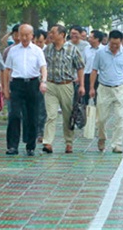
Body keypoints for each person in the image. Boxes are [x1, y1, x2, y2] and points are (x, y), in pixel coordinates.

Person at [3, 24, 47, 156]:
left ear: (32, 36)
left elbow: (43, 67)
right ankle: (12, 146)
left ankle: (30, 146)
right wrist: (6, 88)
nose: (24, 38)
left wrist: (43, 81)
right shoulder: (13, 50)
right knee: (14, 115)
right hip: (17, 84)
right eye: (21, 35)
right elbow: (7, 70)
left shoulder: (37, 51)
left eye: (27, 35)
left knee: (32, 116)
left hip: (33, 84)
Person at [89, 30, 123, 154]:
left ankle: (117, 144)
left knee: (120, 117)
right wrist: (92, 87)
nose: (114, 46)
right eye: (112, 44)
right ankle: (102, 138)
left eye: (117, 44)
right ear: (108, 41)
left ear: (121, 42)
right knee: (101, 119)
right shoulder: (100, 53)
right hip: (104, 89)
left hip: (120, 89)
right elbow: (94, 70)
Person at [42, 25, 85, 154]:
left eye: (53, 32)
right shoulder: (47, 49)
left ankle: (69, 142)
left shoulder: (72, 49)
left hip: (66, 85)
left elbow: (80, 67)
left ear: (62, 34)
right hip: (51, 85)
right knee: (51, 115)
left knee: (68, 116)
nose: (50, 35)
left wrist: (82, 85)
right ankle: (48, 142)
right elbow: (43, 65)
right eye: (50, 32)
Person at [82, 30, 104, 106]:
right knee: (85, 97)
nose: (89, 39)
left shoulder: (104, 50)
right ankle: (86, 112)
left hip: (99, 76)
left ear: (97, 39)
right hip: (87, 75)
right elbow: (83, 63)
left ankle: (98, 112)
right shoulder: (86, 48)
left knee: (99, 98)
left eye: (91, 37)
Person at [34, 29, 48, 142]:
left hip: (44, 83)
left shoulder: (48, 51)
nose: (38, 44)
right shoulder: (31, 50)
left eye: (40, 42)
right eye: (36, 42)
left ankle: (40, 132)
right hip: (32, 82)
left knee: (42, 109)